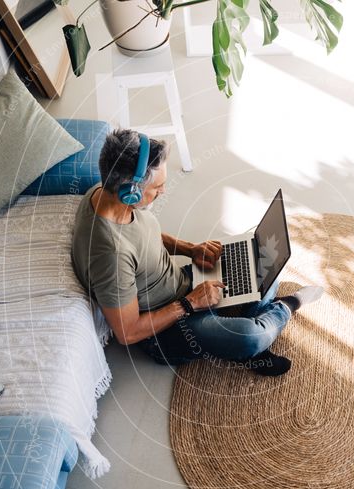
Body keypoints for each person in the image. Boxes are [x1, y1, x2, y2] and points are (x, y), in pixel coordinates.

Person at [71, 129, 323, 376]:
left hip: (182, 281)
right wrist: (191, 303)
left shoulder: (105, 192)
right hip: (166, 328)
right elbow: (128, 332)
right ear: (131, 192)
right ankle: (287, 307)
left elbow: (142, 237)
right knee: (250, 337)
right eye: (158, 187)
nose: (163, 191)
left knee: (266, 259)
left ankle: (250, 338)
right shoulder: (109, 256)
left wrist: (190, 249)